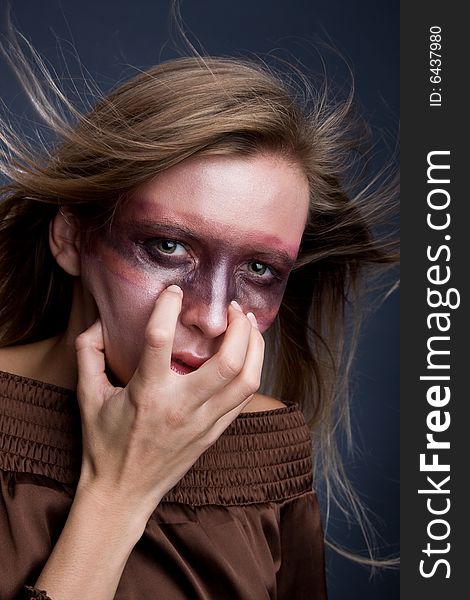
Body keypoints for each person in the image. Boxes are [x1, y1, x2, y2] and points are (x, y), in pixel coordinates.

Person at [0, 21, 397, 600]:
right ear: (69, 239)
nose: (212, 317)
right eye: (168, 246)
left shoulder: (268, 450)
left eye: (260, 270)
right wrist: (118, 494)